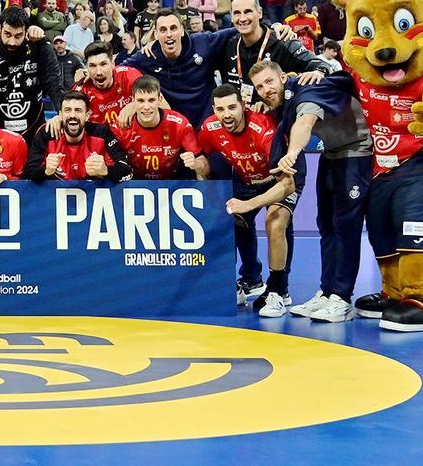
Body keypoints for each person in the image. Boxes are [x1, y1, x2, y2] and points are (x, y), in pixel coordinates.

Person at [252, 62, 373, 323]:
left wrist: (292, 153)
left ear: (283, 76)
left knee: (346, 227)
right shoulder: (285, 100)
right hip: (332, 152)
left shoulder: (307, 91)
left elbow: (305, 123)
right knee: (327, 225)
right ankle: (327, 291)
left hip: (357, 152)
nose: (265, 89)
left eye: (269, 81)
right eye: (259, 86)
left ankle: (342, 298)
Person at [195, 83, 296, 315]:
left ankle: (279, 291)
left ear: (243, 105)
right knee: (230, 222)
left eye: (232, 107)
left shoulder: (263, 128)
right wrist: (205, 192)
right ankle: (248, 280)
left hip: (278, 180)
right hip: (244, 180)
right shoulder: (210, 128)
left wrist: (250, 204)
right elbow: (203, 163)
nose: (227, 114)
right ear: (213, 110)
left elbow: (287, 183)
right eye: (220, 109)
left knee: (276, 222)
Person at [0, 8, 61, 139]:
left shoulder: (39, 46)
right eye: (7, 34)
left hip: (34, 126)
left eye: (18, 35)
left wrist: (62, 111)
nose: (12, 42)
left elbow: (53, 83)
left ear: (26, 32)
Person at [23, 91, 132, 182]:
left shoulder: (101, 133)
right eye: (67, 110)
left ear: (87, 116)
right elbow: (28, 175)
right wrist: (45, 170)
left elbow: (128, 172)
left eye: (78, 110)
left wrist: (106, 170)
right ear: (60, 115)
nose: (72, 115)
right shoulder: (47, 133)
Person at [113, 75, 206, 179]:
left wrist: (196, 164)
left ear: (160, 99)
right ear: (133, 100)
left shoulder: (179, 124)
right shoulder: (121, 127)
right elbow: (112, 166)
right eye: (141, 101)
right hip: (133, 184)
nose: (146, 107)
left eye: (151, 100)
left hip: (173, 182)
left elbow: (205, 166)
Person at [71, 42, 143, 127]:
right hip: (100, 138)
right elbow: (68, 117)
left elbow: (160, 104)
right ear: (87, 68)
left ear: (112, 64)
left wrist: (137, 104)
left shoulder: (130, 76)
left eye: (103, 64)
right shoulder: (80, 90)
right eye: (92, 66)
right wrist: (57, 120)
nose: (98, 72)